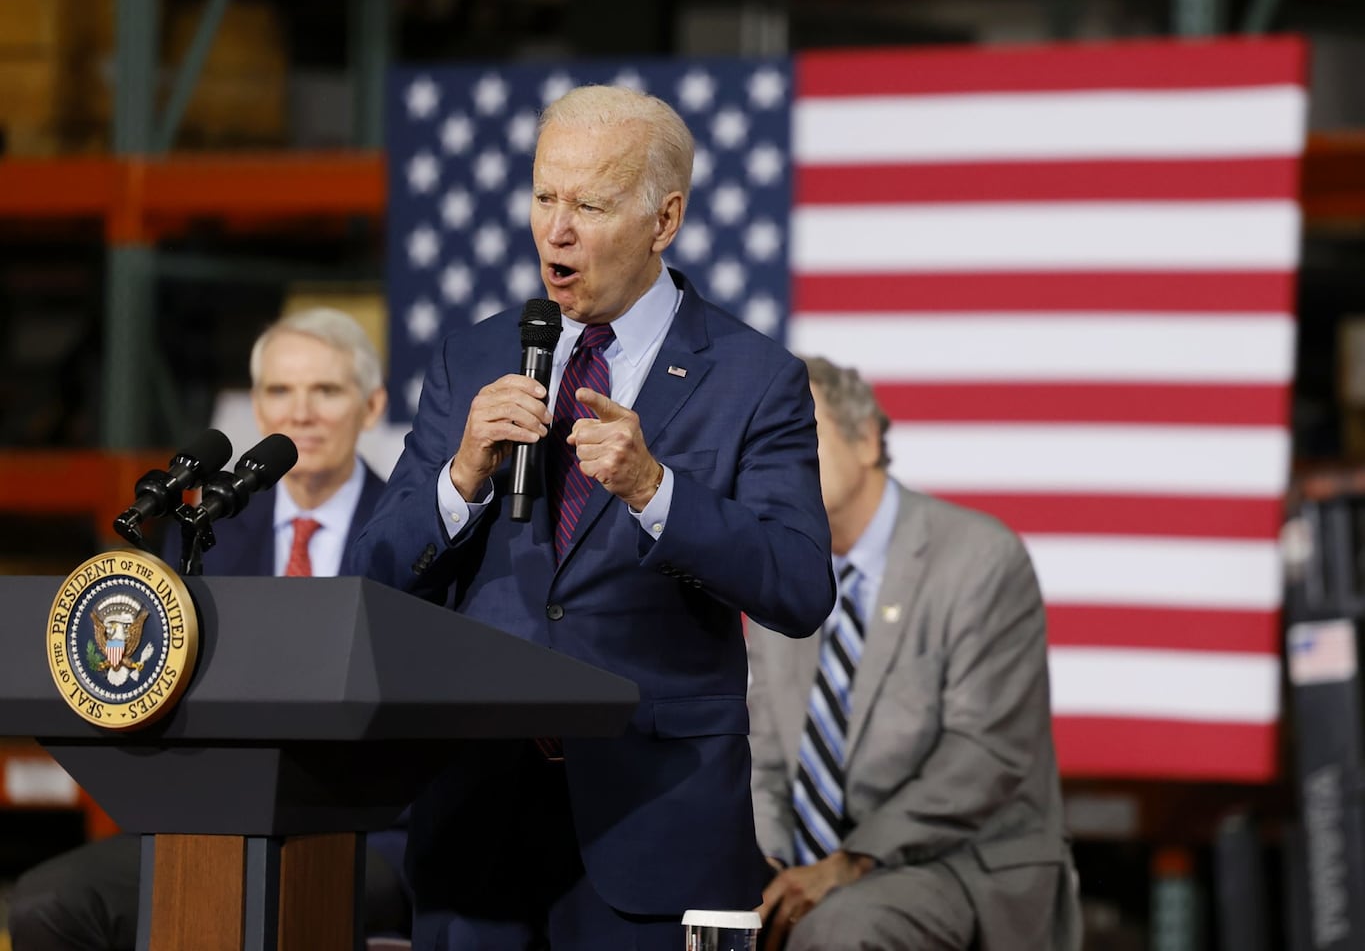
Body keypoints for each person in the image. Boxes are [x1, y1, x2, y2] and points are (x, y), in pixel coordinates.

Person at [346, 84, 835, 949]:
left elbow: (798, 586)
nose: (555, 230)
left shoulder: (754, 377)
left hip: (654, 825)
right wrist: (460, 476)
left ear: (664, 219)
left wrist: (657, 492)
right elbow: (374, 574)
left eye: (590, 204)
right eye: (543, 196)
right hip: (475, 823)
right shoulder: (475, 357)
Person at [8, 307, 409, 950]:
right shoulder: (206, 532)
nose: (300, 413)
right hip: (210, 818)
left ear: (371, 405)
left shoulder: (411, 530)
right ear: (257, 406)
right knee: (47, 905)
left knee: (249, 908)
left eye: (326, 391)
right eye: (281, 391)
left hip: (365, 826)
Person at [747, 356, 1082, 951]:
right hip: (818, 869)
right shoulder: (782, 579)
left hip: (960, 861)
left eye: (800, 432)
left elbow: (983, 757)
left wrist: (849, 862)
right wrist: (768, 867)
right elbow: (766, 760)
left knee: (841, 930)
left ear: (868, 440)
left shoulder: (981, 560)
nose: (781, 460)